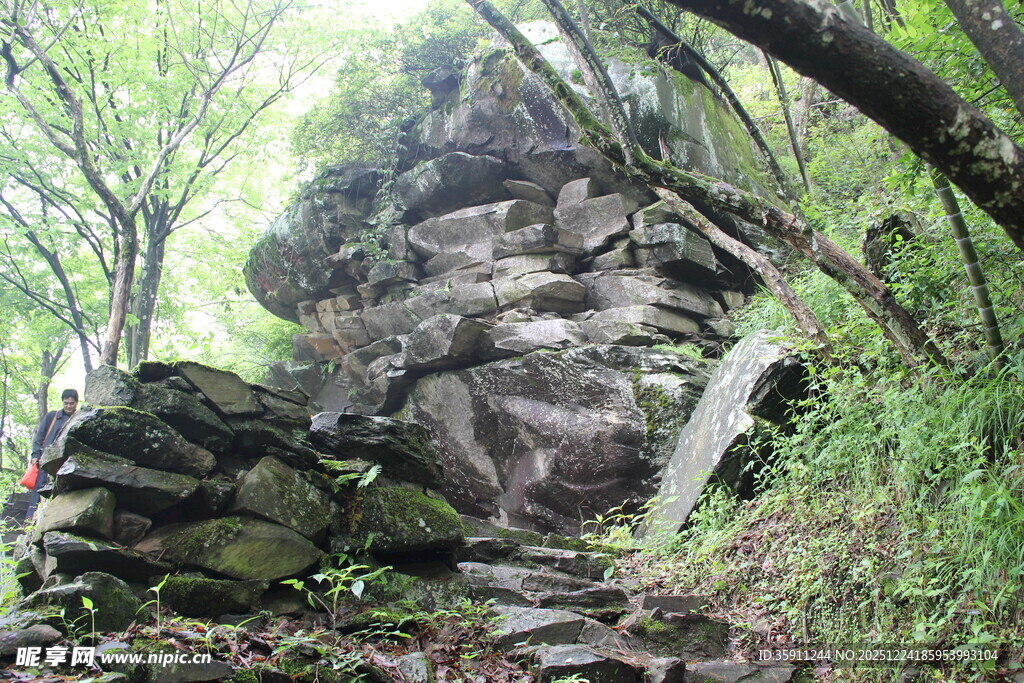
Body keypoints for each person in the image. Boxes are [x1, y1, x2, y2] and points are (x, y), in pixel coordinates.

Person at [25, 389, 79, 519]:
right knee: (39, 490)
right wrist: (35, 456)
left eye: (71, 403)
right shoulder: (52, 417)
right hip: (45, 461)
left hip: (65, 464)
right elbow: (39, 437)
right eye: (66, 403)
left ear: (76, 403)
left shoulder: (78, 419)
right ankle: (29, 520)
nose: (68, 406)